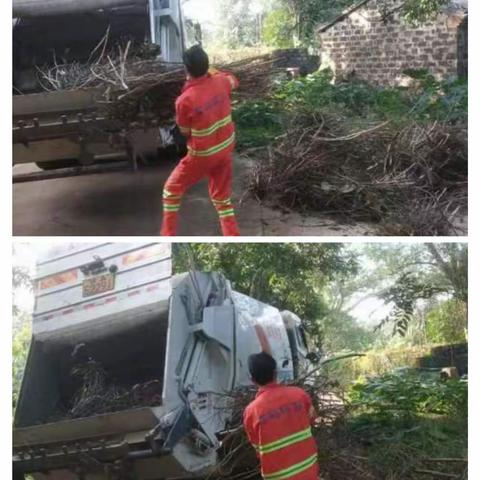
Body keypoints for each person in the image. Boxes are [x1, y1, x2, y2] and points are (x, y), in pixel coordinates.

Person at [160, 44, 240, 236]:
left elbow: (185, 131)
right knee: (222, 199)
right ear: (207, 65)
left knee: (170, 191)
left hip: (202, 156)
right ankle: (232, 235)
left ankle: (167, 236)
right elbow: (234, 80)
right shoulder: (221, 82)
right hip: (226, 149)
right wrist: (213, 71)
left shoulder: (184, 100)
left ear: (186, 69)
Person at [243, 352, 319, 480]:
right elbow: (312, 418)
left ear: (252, 379)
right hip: (309, 470)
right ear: (276, 372)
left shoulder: (251, 412)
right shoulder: (299, 395)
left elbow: (257, 446)